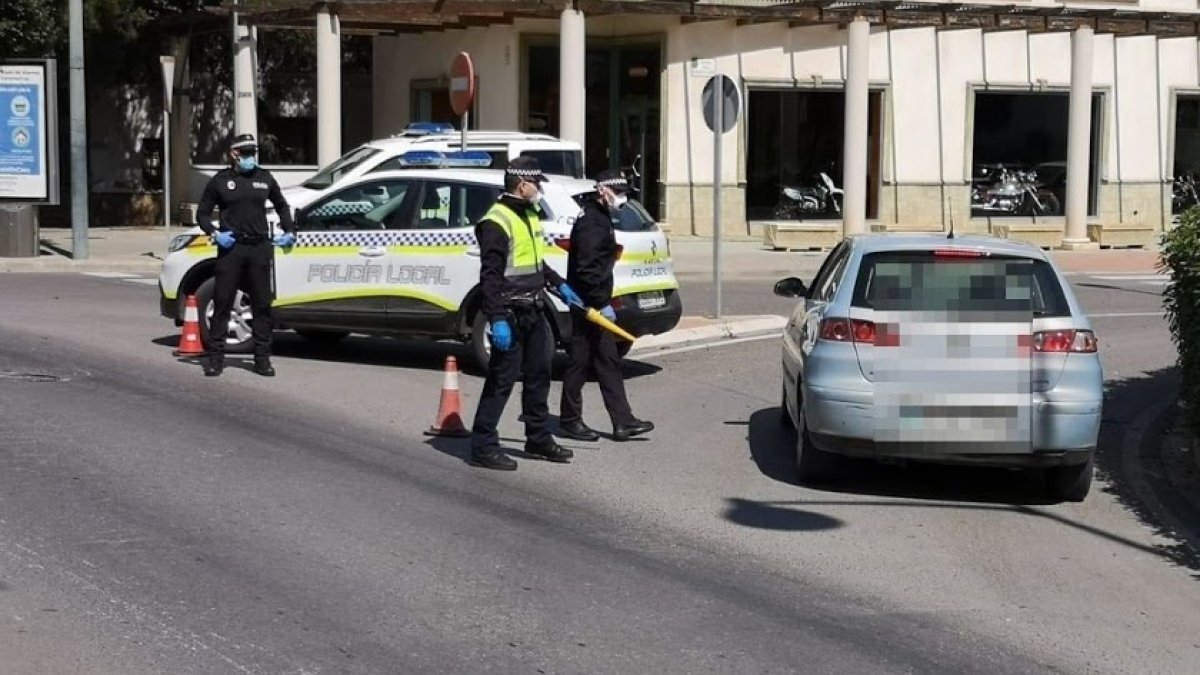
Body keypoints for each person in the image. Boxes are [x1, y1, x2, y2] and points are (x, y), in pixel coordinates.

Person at [469, 157, 581, 471]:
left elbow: (534, 263)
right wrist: (496, 318)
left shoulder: (528, 213)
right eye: (537, 183)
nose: (539, 189)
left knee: (539, 376)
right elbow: (490, 276)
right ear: (522, 184)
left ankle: (538, 439)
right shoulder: (497, 221)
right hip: (510, 310)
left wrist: (559, 285)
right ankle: (483, 445)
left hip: (535, 307)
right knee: (502, 380)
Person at [557, 170, 654, 443]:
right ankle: (574, 420)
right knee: (585, 361)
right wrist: (599, 304)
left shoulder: (600, 217)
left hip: (593, 303)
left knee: (600, 361)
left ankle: (620, 421)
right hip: (589, 305)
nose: (622, 197)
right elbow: (586, 268)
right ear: (603, 191)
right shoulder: (591, 222)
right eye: (618, 191)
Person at [195, 133, 297, 378]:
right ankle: (216, 359)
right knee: (223, 302)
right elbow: (202, 214)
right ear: (234, 154)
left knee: (262, 304)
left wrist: (289, 230)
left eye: (253, 153)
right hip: (232, 247)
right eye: (246, 153)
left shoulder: (264, 178)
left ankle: (262, 359)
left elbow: (282, 205)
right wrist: (214, 233)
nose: (251, 157)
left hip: (259, 247)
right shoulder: (220, 181)